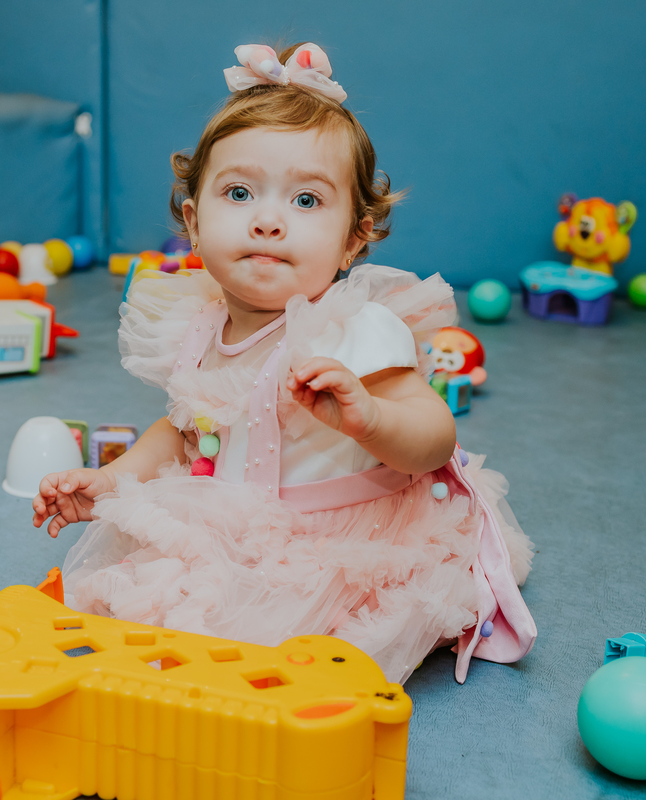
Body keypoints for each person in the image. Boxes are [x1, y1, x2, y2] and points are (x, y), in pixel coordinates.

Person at [32, 43, 536, 684]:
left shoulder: (355, 327)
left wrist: (371, 417)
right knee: (139, 611)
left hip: (334, 535)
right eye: (239, 192)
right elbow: (186, 431)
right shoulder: (196, 322)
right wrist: (116, 479)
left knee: (286, 657)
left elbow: (436, 435)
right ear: (193, 221)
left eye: (306, 202)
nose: (268, 220)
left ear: (355, 237)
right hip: (222, 522)